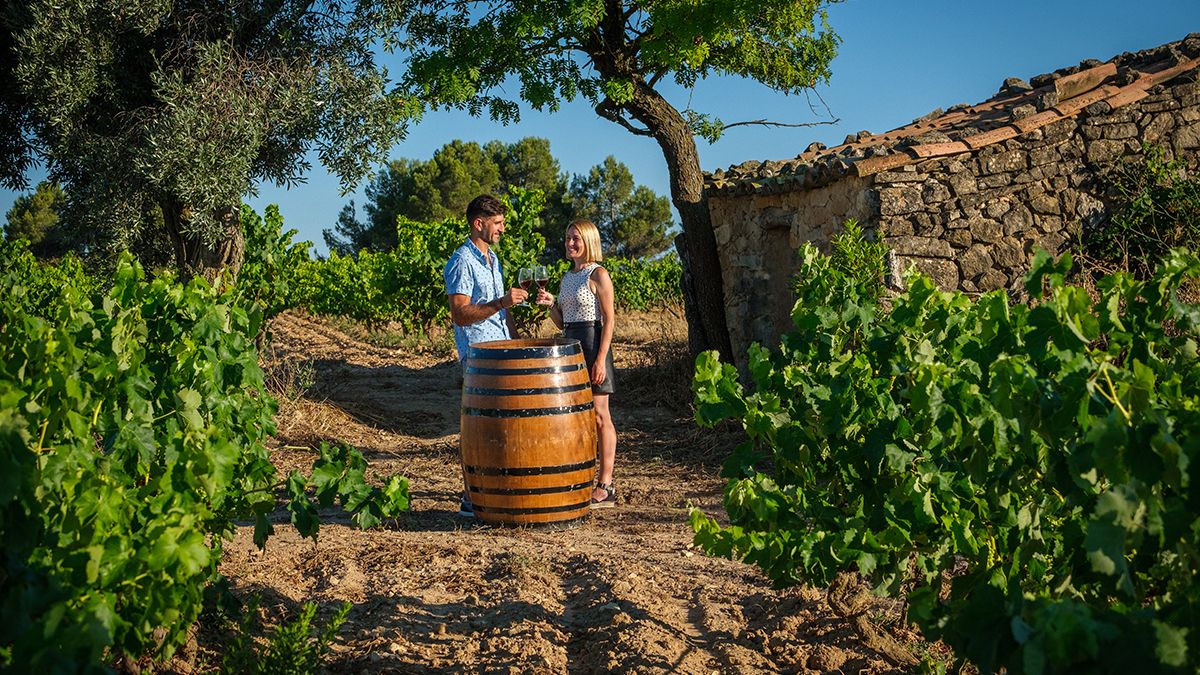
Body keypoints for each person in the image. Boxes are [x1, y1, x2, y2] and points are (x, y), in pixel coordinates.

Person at [444, 194, 528, 517]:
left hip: (502, 353)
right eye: (498, 223)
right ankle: (471, 496)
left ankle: (495, 490)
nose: (502, 229)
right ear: (479, 224)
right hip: (479, 357)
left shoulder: (493, 260)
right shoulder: (462, 261)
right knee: (478, 428)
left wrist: (517, 341)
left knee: (500, 425)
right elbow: (461, 314)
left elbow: (502, 314)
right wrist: (502, 302)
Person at [536, 220, 618, 508]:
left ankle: (606, 484)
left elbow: (609, 320)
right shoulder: (567, 277)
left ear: (589, 241)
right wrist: (550, 306)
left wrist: (600, 360)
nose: (570, 243)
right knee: (576, 416)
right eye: (568, 238)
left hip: (594, 344)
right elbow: (562, 322)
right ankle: (580, 475)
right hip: (569, 345)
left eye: (576, 239)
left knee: (599, 414)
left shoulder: (599, 274)